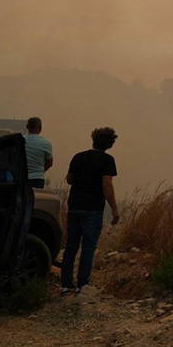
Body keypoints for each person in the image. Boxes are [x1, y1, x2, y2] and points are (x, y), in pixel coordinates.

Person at [62, 127, 121, 294]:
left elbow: (69, 179)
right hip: (93, 209)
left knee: (71, 246)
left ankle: (66, 284)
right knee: (88, 247)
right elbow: (107, 184)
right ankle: (82, 284)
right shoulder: (108, 160)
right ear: (110, 144)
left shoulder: (78, 157)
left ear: (93, 139)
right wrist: (115, 209)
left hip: (74, 207)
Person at [22, 116, 53, 189]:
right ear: (40, 128)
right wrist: (39, 171)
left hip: (21, 178)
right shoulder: (46, 144)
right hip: (37, 179)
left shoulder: (20, 141)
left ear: (27, 127)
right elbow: (50, 163)